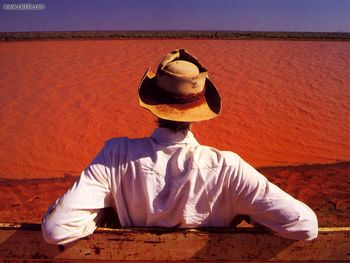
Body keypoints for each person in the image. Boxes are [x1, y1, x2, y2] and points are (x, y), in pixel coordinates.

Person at [42, 49, 318, 245]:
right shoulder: (227, 168)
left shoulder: (116, 155)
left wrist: (103, 216)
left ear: (153, 105)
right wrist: (251, 214)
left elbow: (55, 230)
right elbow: (305, 226)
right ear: (199, 108)